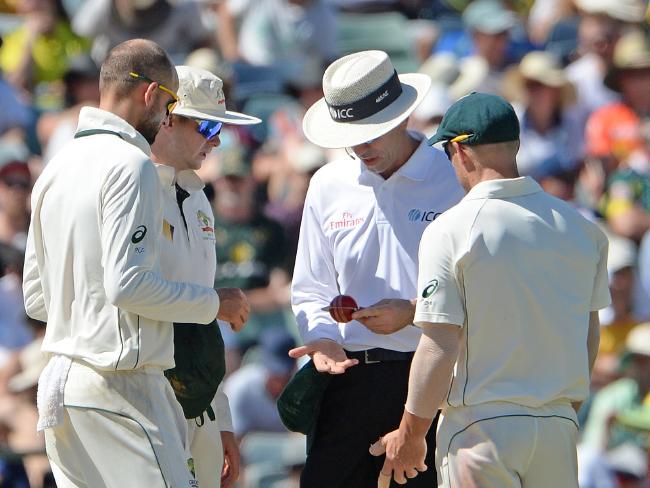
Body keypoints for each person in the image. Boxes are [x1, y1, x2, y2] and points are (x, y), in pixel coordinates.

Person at [22, 39, 248, 488]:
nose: (164, 118)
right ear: (150, 94)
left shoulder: (56, 167)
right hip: (122, 384)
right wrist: (214, 303)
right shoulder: (131, 164)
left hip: (61, 387)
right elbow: (127, 287)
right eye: (168, 105)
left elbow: (36, 297)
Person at [371, 92, 611, 487]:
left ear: (461, 153)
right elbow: (588, 333)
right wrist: (560, 409)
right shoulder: (583, 230)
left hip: (480, 429)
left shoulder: (451, 230)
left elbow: (439, 346)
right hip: (557, 425)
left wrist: (411, 435)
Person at [289, 50, 464, 487]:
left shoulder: (454, 178)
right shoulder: (328, 184)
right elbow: (310, 290)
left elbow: (483, 287)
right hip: (348, 381)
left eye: (371, 132)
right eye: (352, 135)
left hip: (436, 378)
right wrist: (323, 340)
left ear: (404, 117)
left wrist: (413, 311)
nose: (360, 146)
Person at [150, 64, 259, 488]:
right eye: (208, 125)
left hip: (198, 400)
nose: (216, 140)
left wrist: (221, 420)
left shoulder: (197, 198)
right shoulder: (133, 190)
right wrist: (217, 304)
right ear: (168, 118)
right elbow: (135, 295)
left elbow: (199, 318)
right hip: (148, 396)